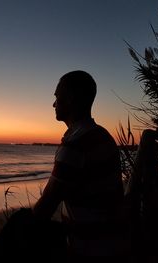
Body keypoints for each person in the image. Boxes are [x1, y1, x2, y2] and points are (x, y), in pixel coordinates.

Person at [32, 70, 128, 262]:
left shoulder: (76, 144)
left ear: (71, 99)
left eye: (57, 97)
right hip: (116, 242)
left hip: (90, 250)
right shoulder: (103, 136)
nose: (53, 104)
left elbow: (46, 205)